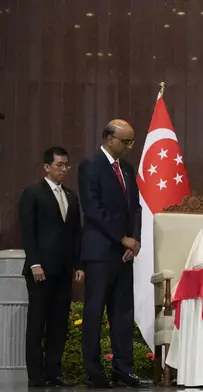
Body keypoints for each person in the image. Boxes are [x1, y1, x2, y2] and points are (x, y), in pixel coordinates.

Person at [77, 119, 146, 388]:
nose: (130, 146)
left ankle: (123, 369)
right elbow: (93, 209)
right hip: (100, 251)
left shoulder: (127, 169)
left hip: (123, 254)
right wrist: (122, 238)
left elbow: (136, 209)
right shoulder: (91, 165)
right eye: (125, 141)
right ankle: (94, 371)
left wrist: (135, 240)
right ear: (109, 139)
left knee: (122, 314)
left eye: (132, 141)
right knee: (94, 312)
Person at [18, 147, 83, 387]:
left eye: (67, 165)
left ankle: (53, 372)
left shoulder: (72, 197)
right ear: (46, 167)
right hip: (40, 270)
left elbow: (76, 234)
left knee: (58, 323)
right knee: (37, 323)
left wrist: (78, 264)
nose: (64, 169)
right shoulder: (33, 193)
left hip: (64, 269)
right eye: (59, 165)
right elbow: (28, 231)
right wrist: (35, 262)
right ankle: (35, 376)